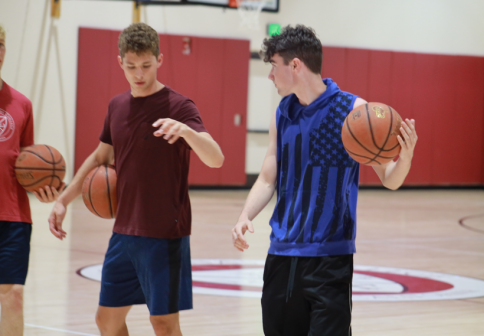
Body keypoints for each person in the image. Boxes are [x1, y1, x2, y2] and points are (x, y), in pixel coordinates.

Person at [231, 25, 418, 335]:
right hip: (281, 255)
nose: (270, 76)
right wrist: (244, 215)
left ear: (295, 65)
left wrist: (406, 158)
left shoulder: (354, 112)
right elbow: (267, 177)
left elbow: (390, 178)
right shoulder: (282, 112)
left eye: (273, 67)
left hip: (330, 258)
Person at [48, 23, 224, 336]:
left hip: (165, 234)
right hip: (124, 233)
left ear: (159, 59)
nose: (138, 73)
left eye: (145, 65)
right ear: (120, 63)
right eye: (131, 66)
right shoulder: (116, 106)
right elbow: (99, 159)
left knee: (164, 325)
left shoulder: (179, 106)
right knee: (106, 320)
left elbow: (216, 158)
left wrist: (186, 131)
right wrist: (63, 200)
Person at [0, 24, 64, 336]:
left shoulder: (21, 104)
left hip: (13, 217)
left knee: (13, 295)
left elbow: (27, 164)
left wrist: (43, 189)